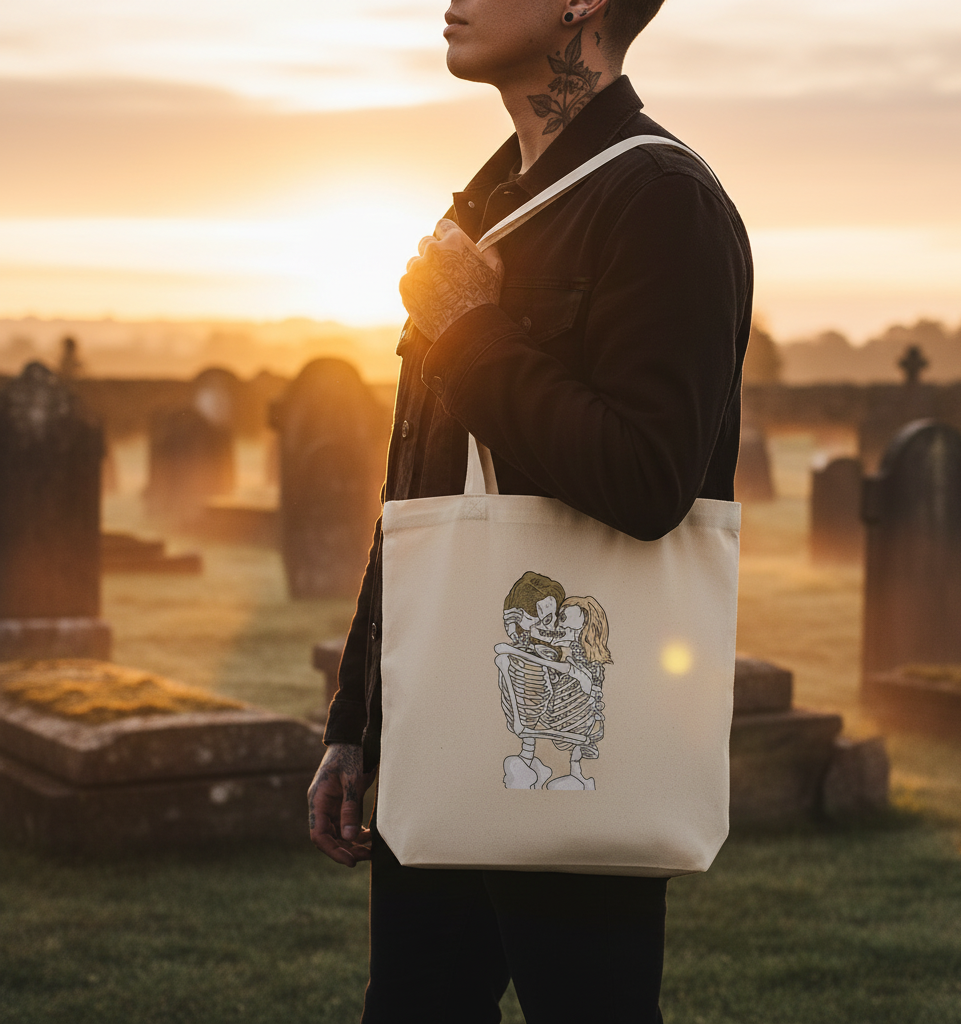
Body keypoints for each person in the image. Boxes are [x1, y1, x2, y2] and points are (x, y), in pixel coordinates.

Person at [307, 0, 752, 1020]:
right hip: (441, 719)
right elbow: (420, 484)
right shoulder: (491, 200)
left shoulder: (661, 201)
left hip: (572, 721)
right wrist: (361, 720)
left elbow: (647, 478)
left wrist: (467, 328)